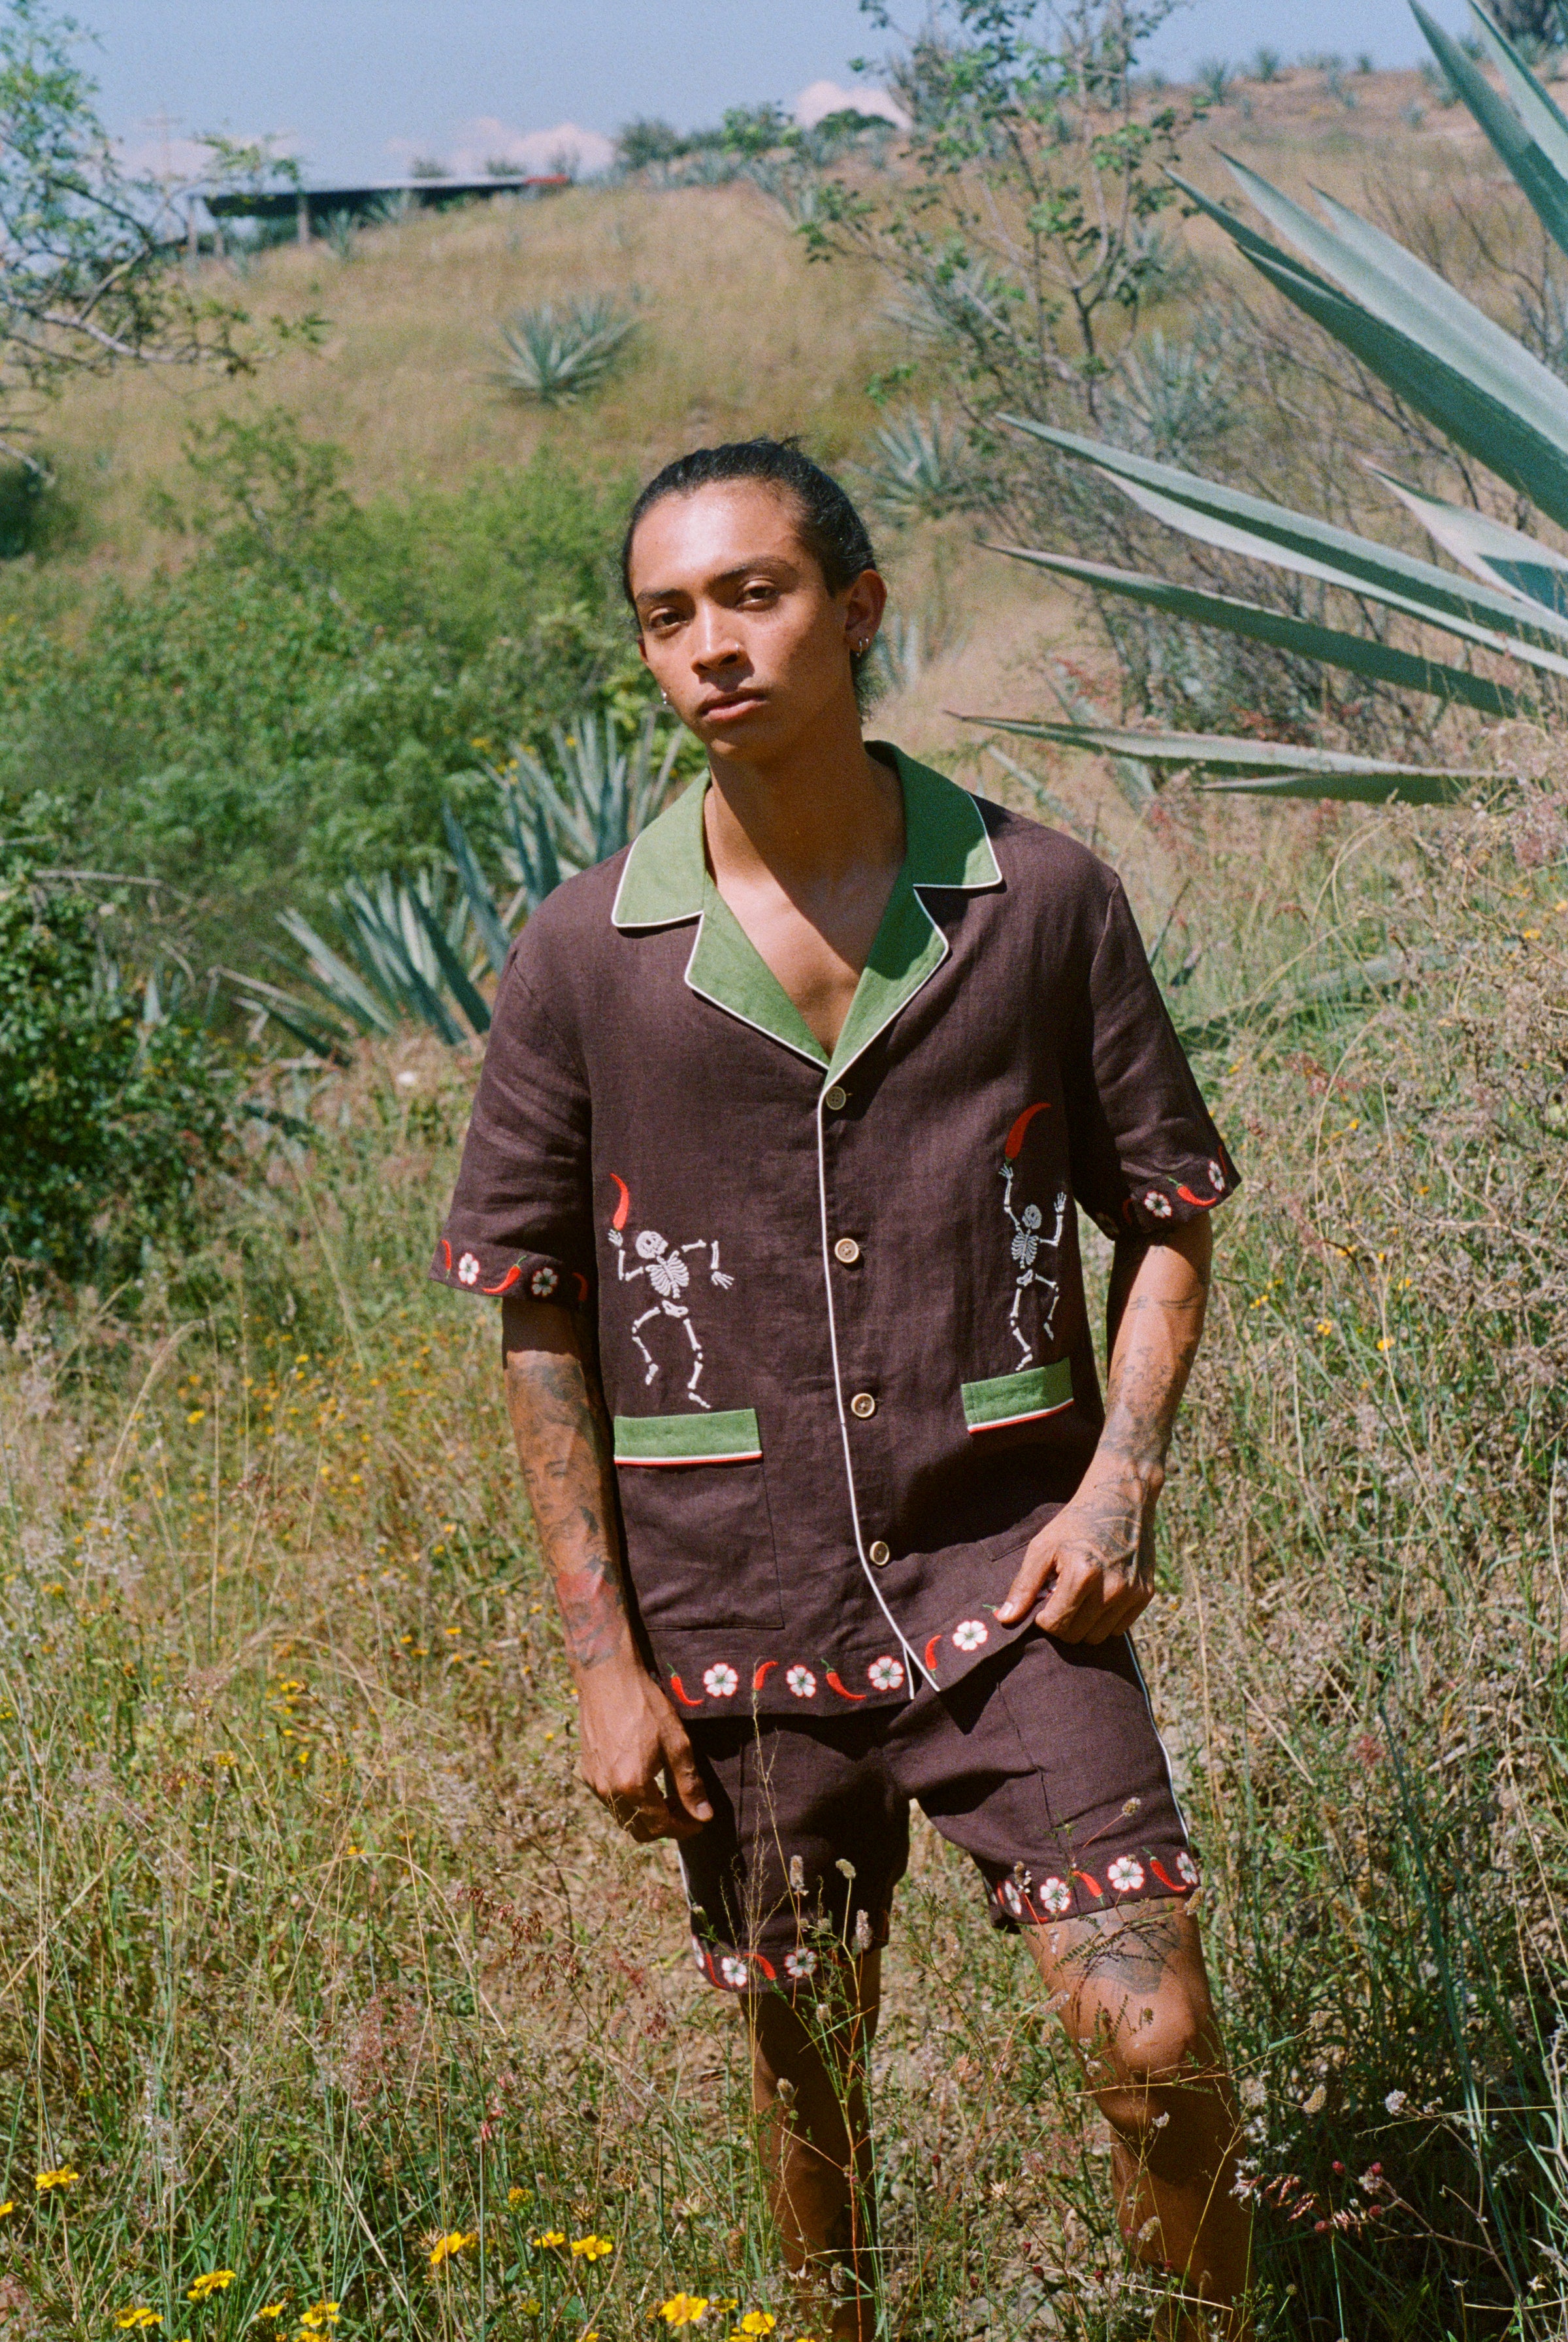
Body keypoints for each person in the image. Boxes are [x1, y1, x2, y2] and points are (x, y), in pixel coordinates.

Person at [432, 438, 1252, 2338]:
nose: (711, 645)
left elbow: (1172, 1211)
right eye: (667, 615)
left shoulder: (1037, 899)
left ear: (857, 610)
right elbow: (537, 1306)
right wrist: (596, 1654)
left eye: (754, 594)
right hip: (734, 1599)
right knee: (809, 2082)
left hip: (1008, 1581)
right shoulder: (583, 955)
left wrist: (1118, 1486)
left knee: (1160, 2043)